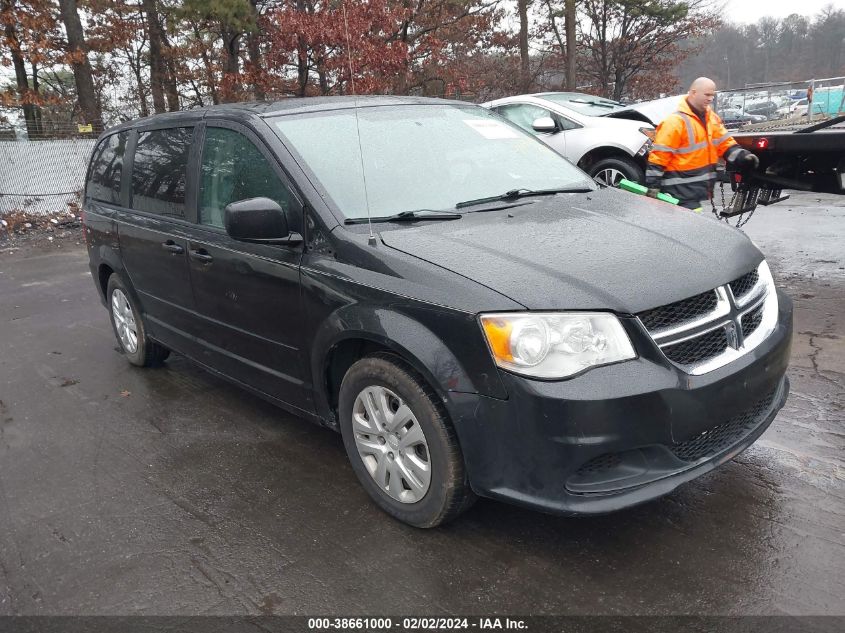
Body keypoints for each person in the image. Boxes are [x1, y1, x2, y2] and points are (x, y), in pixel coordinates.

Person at [645, 77, 759, 212]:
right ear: (693, 93)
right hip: (678, 191)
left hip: (693, 190)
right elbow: (659, 157)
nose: (711, 98)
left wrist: (743, 156)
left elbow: (725, 144)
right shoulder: (675, 122)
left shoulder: (712, 119)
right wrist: (653, 186)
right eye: (707, 94)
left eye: (713, 95)